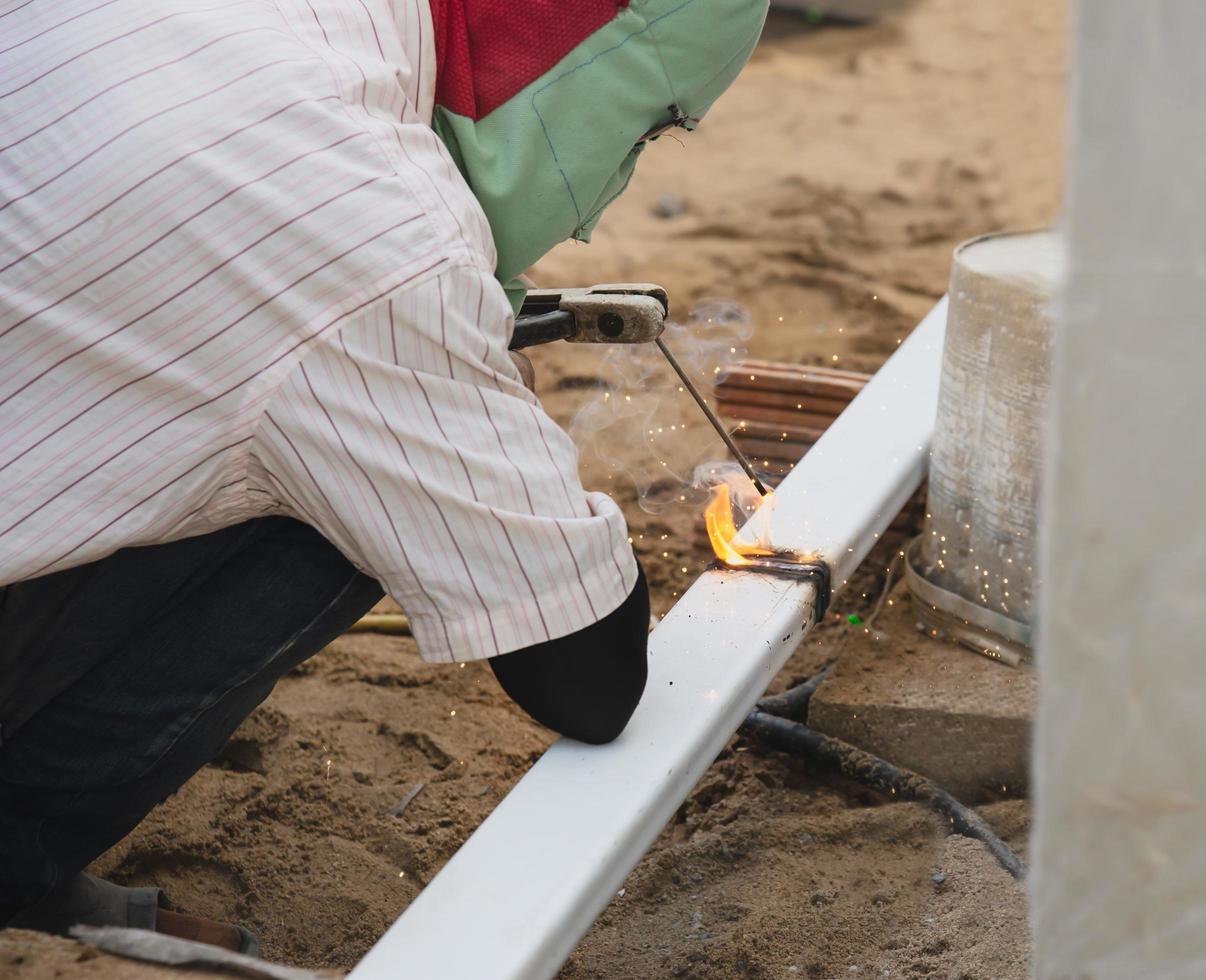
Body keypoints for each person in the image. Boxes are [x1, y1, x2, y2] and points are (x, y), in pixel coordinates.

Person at [0, 0, 768, 954]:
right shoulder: (358, 223)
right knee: (360, 503)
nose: (602, 200)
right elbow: (588, 681)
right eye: (644, 130)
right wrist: (466, 374)